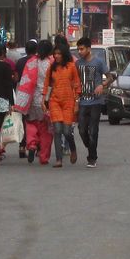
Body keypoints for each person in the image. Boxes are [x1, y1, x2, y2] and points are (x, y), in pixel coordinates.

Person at [74, 37, 114, 167]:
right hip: (82, 101)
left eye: (82, 49)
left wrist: (102, 85)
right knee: (81, 129)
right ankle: (90, 147)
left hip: (95, 102)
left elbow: (110, 77)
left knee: (94, 131)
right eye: (78, 49)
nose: (79, 51)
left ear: (88, 49)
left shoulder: (98, 62)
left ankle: (92, 158)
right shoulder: (77, 64)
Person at [46, 40, 80, 168]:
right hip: (54, 101)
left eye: (59, 53)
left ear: (64, 54)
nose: (56, 56)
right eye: (55, 54)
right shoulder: (52, 67)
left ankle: (73, 148)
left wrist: (76, 101)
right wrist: (44, 100)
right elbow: (47, 85)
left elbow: (77, 85)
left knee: (66, 131)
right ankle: (58, 159)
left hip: (68, 102)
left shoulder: (71, 66)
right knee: (57, 130)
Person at [13, 39, 38, 159]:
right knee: (36, 121)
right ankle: (36, 145)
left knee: (23, 121)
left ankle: (22, 147)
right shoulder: (38, 61)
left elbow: (16, 78)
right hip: (36, 94)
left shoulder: (20, 62)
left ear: (26, 50)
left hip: (22, 94)